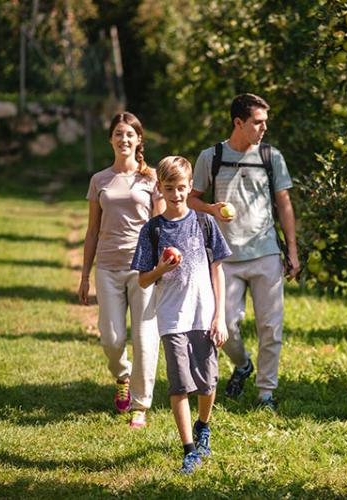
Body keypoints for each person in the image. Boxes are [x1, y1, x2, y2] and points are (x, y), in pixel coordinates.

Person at [188, 93, 300, 411]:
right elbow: (192, 198)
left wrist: (291, 250)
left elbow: (284, 203)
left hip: (265, 252)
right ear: (239, 122)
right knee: (223, 326)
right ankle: (242, 364)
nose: (264, 128)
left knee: (270, 326)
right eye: (258, 122)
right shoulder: (211, 156)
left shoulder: (270, 156)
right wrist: (211, 207)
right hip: (225, 258)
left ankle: (266, 393)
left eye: (265, 122)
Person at [131, 155, 231, 474]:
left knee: (208, 382)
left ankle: (204, 426)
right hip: (172, 316)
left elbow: (219, 272)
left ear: (190, 188)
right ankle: (188, 448)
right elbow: (143, 279)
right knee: (179, 385)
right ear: (159, 188)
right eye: (170, 188)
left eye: (182, 188)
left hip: (204, 314)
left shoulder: (204, 223)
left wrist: (221, 316)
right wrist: (161, 267)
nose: (176, 194)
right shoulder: (153, 229)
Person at [78, 112, 164, 429]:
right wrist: (84, 275)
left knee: (144, 338)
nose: (123, 139)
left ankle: (141, 405)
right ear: (111, 139)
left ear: (139, 139)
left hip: (143, 270)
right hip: (108, 267)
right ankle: (123, 375)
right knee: (112, 339)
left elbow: (160, 226)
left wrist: (162, 268)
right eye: (118, 133)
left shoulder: (152, 179)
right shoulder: (99, 180)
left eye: (129, 134)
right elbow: (91, 231)